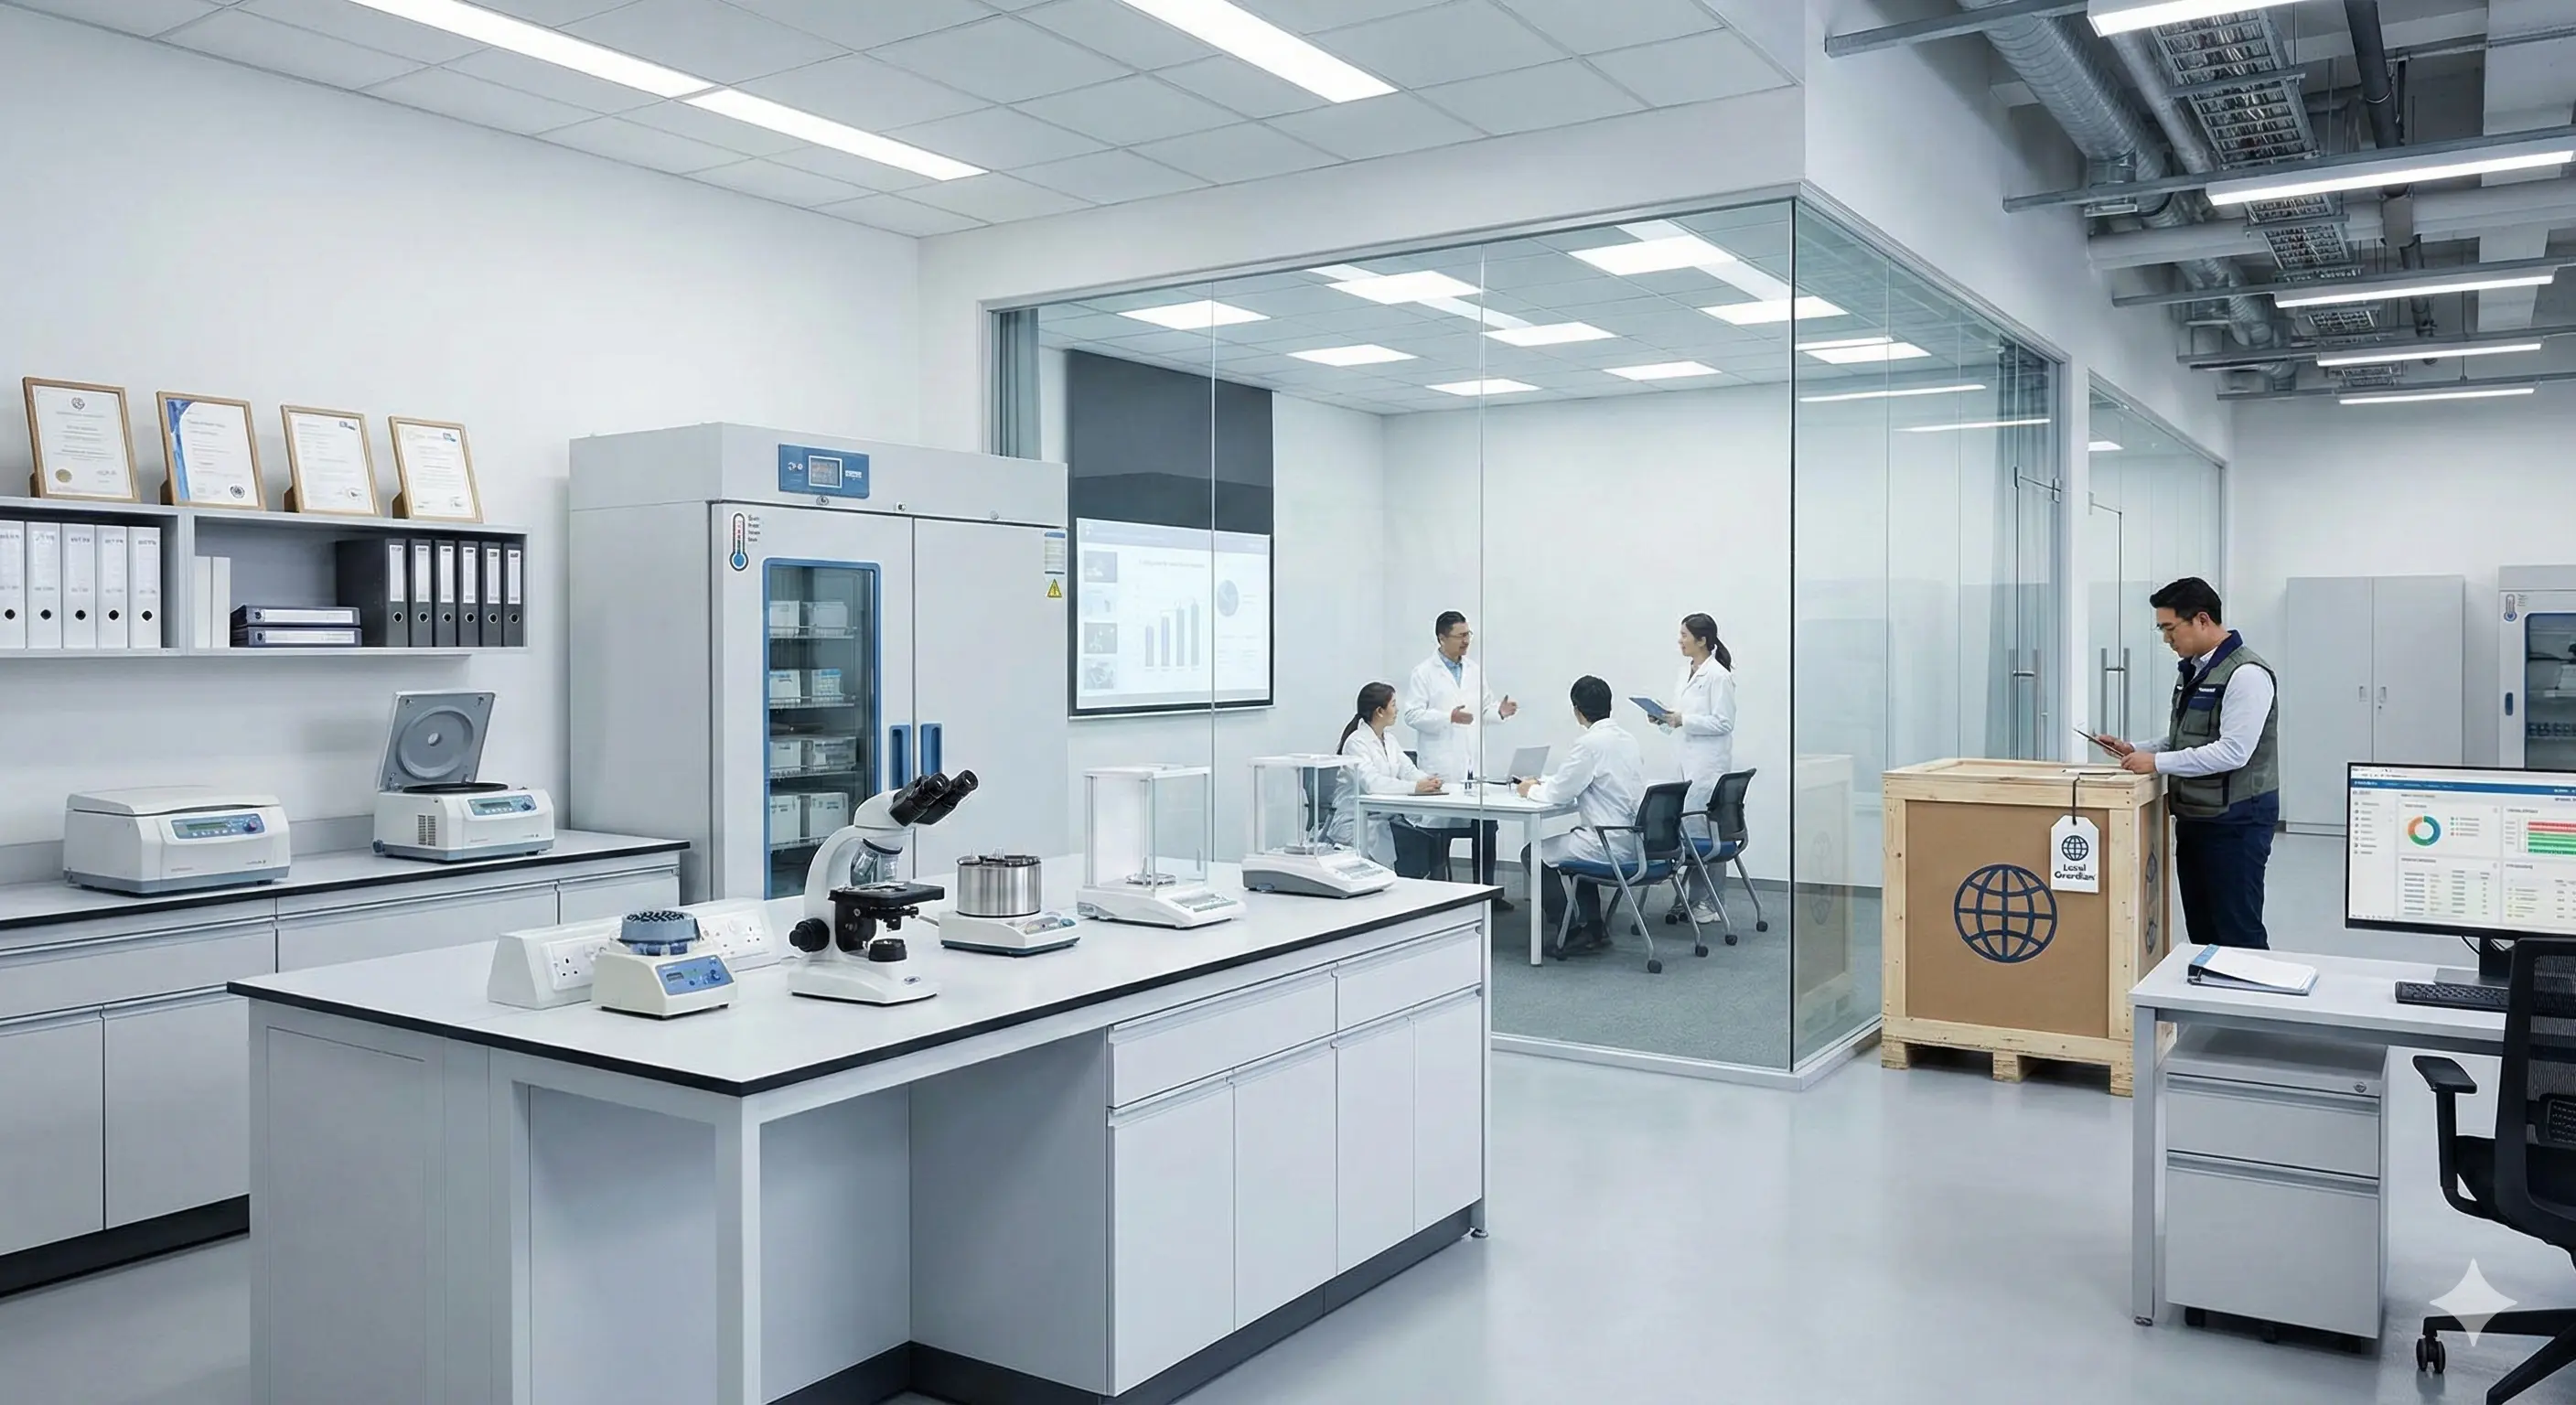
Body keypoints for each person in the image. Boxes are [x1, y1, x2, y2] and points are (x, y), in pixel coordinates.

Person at [2089, 576, 2278, 949]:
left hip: (2235, 821)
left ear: (2202, 620)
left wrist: (2157, 762)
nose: (2166, 639)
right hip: (2197, 817)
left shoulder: (2246, 675)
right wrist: (2133, 749)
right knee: (2203, 926)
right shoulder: (2194, 670)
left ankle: (2248, 1007)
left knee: (2237, 928)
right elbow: (2182, 741)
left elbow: (2233, 752)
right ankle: (2209, 1004)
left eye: (2170, 628)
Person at [1517, 676, 1645, 952]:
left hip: (1607, 841)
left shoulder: (1590, 744)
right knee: (1573, 850)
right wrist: (1548, 784)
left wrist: (1530, 790)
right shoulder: (1628, 740)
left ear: (1577, 710)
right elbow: (1574, 781)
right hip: (1633, 839)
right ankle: (1594, 928)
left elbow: (1559, 793)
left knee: (1534, 853)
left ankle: (1571, 929)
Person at [1401, 611, 1519, 903]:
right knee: (1440, 831)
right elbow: (1412, 715)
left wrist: (1499, 713)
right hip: (1441, 763)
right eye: (1461, 636)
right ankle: (1441, 897)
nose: (1467, 641)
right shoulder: (1423, 673)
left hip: (1471, 765)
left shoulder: (1474, 669)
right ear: (1442, 638)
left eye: (1469, 635)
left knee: (1485, 826)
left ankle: (1488, 894)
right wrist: (1447, 717)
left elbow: (1483, 709)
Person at [1649, 613, 1737, 924]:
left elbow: (1724, 722)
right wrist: (1666, 718)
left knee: (1704, 832)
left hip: (1707, 767)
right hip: (1685, 759)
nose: (1680, 640)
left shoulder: (1718, 676)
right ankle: (1691, 898)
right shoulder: (1684, 672)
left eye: (1685, 635)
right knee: (1687, 829)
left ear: (1702, 640)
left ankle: (1708, 903)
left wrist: (1683, 720)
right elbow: (1682, 716)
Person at [1334, 682, 1444, 878]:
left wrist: (1427, 781)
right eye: (1393, 704)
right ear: (1379, 711)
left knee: (1429, 845)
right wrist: (1415, 787)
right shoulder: (1356, 743)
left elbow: (1407, 769)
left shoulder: (1389, 740)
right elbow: (1372, 783)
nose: (1397, 709)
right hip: (1357, 825)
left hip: (1383, 822)